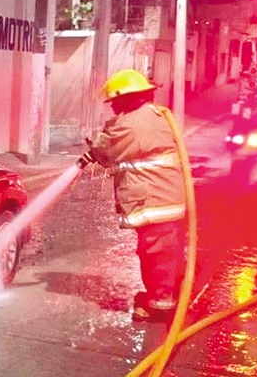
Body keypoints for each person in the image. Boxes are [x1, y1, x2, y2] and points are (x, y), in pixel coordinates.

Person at [81, 69, 188, 322]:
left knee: (157, 254)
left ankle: (161, 305)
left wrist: (94, 150)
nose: (112, 107)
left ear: (127, 98)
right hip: (165, 197)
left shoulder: (129, 123)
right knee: (166, 252)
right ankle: (166, 296)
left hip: (155, 201)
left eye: (115, 101)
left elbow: (105, 151)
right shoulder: (155, 115)